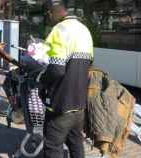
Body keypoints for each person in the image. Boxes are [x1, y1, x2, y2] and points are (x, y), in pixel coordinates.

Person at [40, 1, 93, 158]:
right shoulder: (85, 30)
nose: (48, 17)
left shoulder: (59, 30)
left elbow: (56, 69)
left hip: (60, 103)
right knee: (76, 144)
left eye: (48, 14)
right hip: (79, 104)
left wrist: (41, 80)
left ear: (52, 12)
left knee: (52, 146)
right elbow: (88, 66)